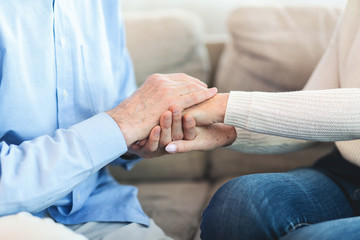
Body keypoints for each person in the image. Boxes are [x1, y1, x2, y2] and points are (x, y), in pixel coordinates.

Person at [0, 1, 216, 239]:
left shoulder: (101, 5)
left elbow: (119, 108)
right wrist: (122, 124)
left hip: (96, 207)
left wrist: (136, 139)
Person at [164, 0, 360, 239]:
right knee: (236, 203)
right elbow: (314, 110)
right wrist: (226, 132)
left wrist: (224, 106)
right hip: (346, 174)